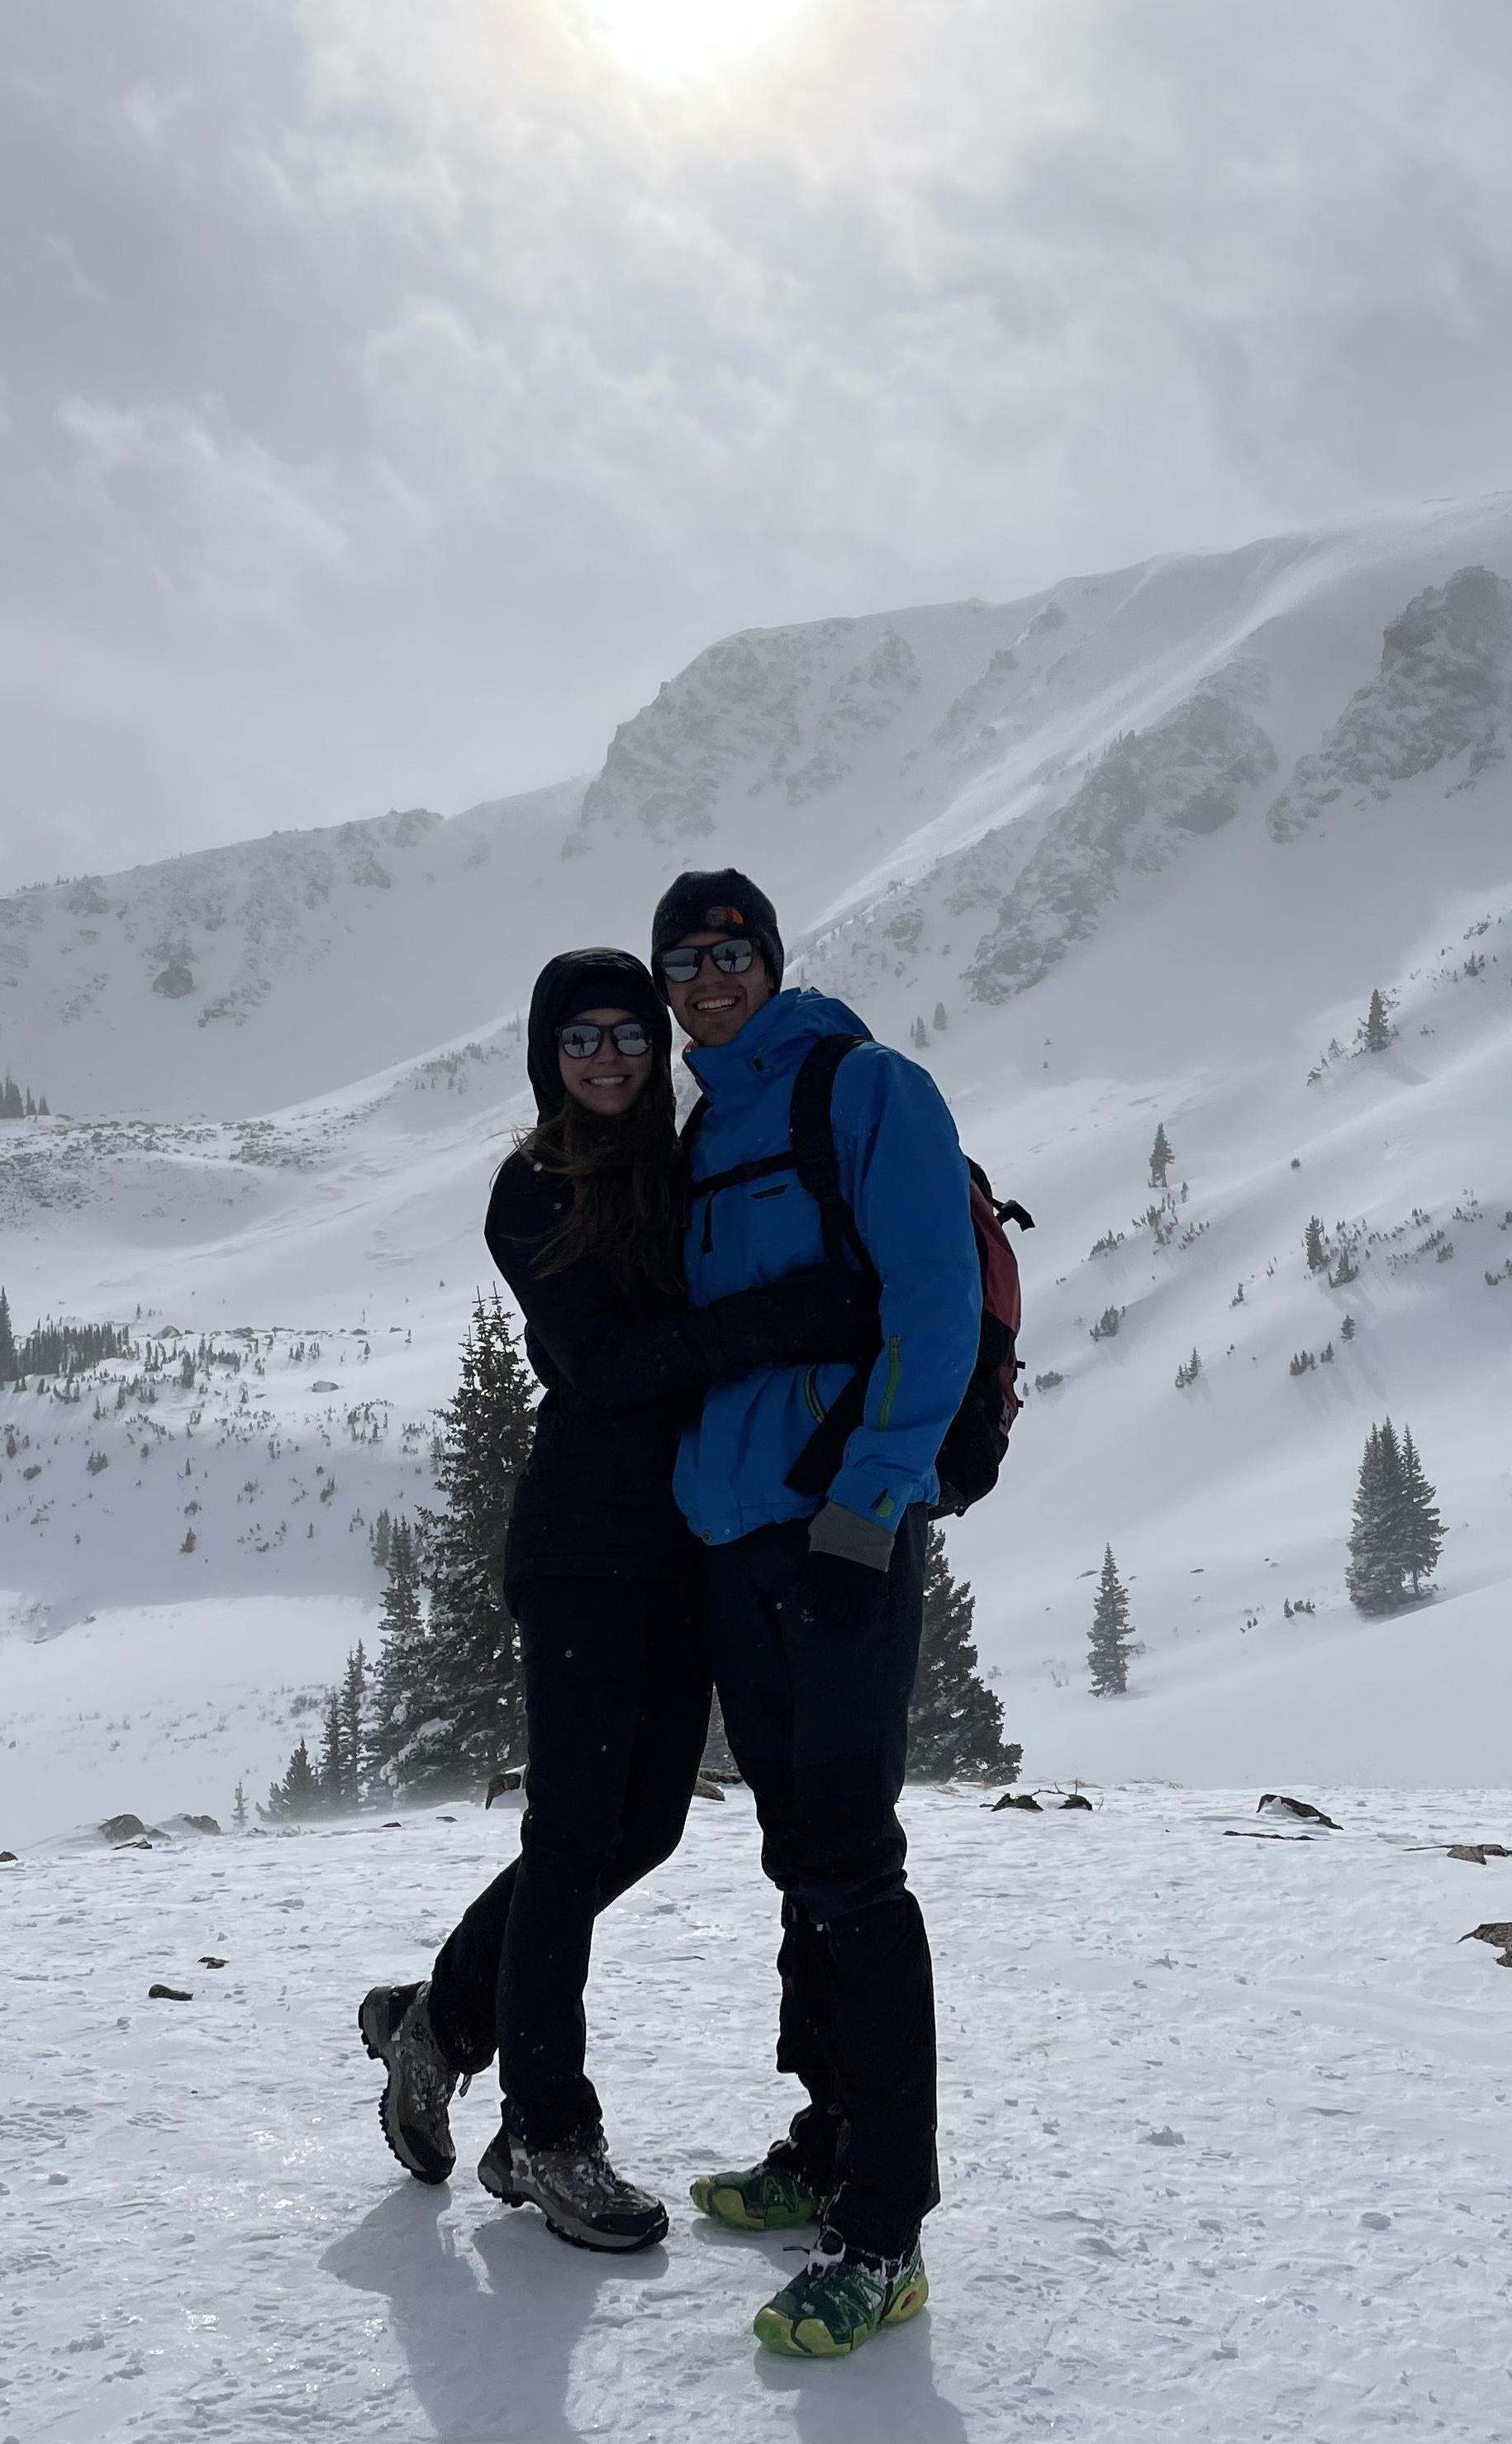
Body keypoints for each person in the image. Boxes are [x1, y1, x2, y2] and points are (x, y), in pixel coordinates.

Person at [359, 948, 872, 2251]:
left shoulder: (693, 1163)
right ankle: (545, 2128)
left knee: (638, 1829)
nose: (607, 1056)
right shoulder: (532, 1191)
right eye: (580, 1037)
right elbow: (604, 1362)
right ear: (549, 1056)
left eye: (629, 1034)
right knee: (580, 1828)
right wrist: (786, 1321)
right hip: (584, 1546)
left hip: (686, 1545)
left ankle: (447, 2015)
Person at [654, 868, 982, 2359]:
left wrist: (876, 1497)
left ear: (773, 960)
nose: (709, 978)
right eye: (685, 961)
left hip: (841, 1530)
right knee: (801, 1857)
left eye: (732, 952)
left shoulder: (865, 1086)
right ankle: (827, 2143)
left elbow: (933, 1299)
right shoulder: (707, 1125)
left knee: (852, 1864)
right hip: (737, 1540)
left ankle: (887, 2231)